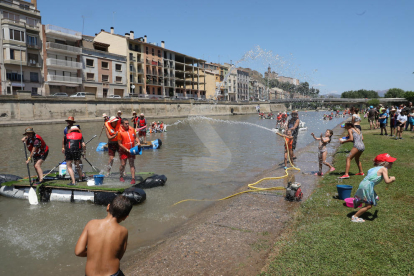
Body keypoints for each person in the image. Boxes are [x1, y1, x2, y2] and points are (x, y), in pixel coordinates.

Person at [75, 195, 132, 276]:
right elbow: (118, 256)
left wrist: (93, 251)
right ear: (125, 217)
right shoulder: (123, 231)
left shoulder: (91, 224)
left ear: (108, 207)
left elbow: (78, 251)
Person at [351, 153, 396, 223]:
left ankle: (358, 200)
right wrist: (392, 179)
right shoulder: (384, 169)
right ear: (384, 163)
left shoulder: (372, 168)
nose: (392, 163)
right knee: (369, 206)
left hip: (363, 184)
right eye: (390, 162)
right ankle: (355, 217)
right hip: (367, 187)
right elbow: (387, 181)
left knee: (370, 197)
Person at [118, 118, 140, 185]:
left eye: (128, 123)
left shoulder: (132, 129)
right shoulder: (120, 132)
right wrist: (126, 149)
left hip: (132, 149)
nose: (127, 125)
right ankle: (121, 176)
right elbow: (119, 143)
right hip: (123, 150)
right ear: (122, 124)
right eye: (126, 123)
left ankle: (133, 179)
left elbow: (135, 137)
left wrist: (138, 142)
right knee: (123, 164)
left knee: (131, 164)